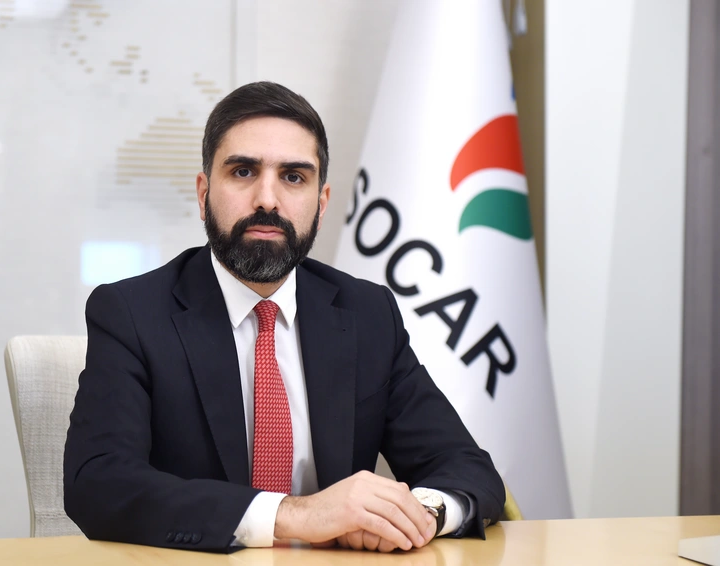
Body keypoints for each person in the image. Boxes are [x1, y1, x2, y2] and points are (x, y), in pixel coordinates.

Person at [63, 81, 505, 553]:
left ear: (322, 203)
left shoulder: (368, 314)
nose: (267, 200)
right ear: (203, 193)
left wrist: (416, 514)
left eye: (294, 177)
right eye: (243, 171)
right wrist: (294, 515)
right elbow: (98, 483)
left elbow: (467, 468)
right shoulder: (131, 313)